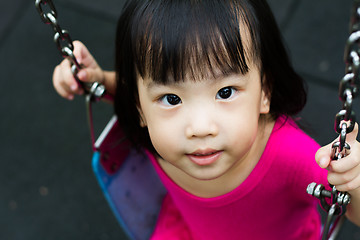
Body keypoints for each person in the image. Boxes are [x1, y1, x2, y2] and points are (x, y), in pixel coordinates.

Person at [52, 0, 360, 239]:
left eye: (226, 92)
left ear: (265, 91)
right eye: (172, 99)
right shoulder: (151, 121)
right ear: (140, 106)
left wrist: (354, 179)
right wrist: (97, 79)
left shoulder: (288, 155)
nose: (200, 128)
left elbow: (352, 208)